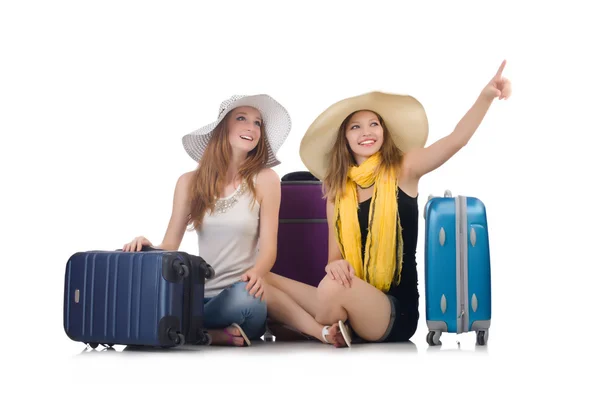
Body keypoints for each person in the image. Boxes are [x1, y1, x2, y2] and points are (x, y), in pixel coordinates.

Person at [263, 61, 511, 347]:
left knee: (330, 291)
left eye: (373, 124)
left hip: (394, 310)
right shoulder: (336, 190)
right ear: (344, 138)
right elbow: (334, 256)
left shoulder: (405, 169)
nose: (366, 132)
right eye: (355, 126)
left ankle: (305, 325)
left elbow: (456, 140)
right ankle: (326, 329)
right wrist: (335, 265)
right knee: (262, 281)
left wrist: (486, 96)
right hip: (349, 291)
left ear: (383, 131)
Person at [123, 94, 292, 347]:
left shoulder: (266, 179)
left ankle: (187, 329)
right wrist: (147, 246)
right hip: (197, 297)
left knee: (245, 298)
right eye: (242, 119)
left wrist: (256, 273)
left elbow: (269, 248)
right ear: (223, 128)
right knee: (155, 299)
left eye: (257, 123)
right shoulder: (188, 182)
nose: (251, 127)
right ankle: (210, 334)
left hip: (240, 297)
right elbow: (170, 245)